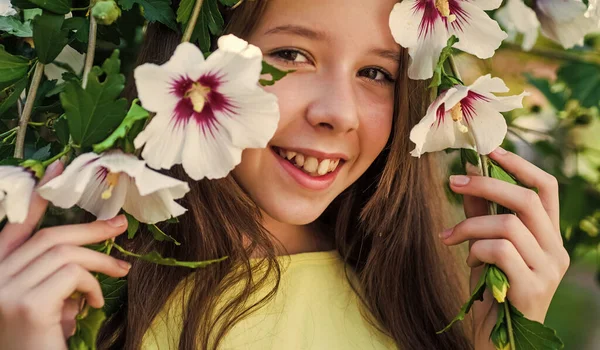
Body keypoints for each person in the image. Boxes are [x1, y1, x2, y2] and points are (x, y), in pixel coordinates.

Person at [0, 0, 570, 349]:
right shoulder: (82, 305)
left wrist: (502, 339)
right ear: (195, 61)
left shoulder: (423, 309)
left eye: (376, 72)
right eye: (292, 56)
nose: (339, 113)